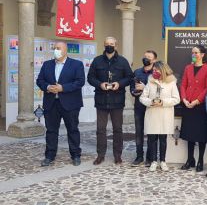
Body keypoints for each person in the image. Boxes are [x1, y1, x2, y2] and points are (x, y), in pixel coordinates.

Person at [37, 42, 85, 167]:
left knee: (73, 130)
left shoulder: (76, 64)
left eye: (58, 48)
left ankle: (75, 155)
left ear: (65, 50)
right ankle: (49, 156)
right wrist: (47, 87)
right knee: (51, 131)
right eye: (54, 48)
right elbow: (39, 80)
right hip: (51, 103)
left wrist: (62, 88)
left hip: (70, 103)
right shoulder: (47, 64)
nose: (55, 51)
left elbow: (80, 82)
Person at [87, 36, 134, 165]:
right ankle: (100, 155)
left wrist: (119, 83)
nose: (109, 46)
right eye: (107, 44)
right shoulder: (97, 61)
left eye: (111, 44)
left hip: (117, 100)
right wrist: (99, 84)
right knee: (100, 129)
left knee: (117, 129)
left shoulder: (123, 61)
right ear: (104, 45)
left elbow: (130, 77)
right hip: (101, 100)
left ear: (116, 46)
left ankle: (117, 155)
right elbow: (90, 77)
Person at [140, 61, 180, 171]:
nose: (154, 72)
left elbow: (176, 99)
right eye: (153, 70)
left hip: (165, 115)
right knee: (152, 139)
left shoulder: (171, 82)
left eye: (156, 70)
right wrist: (151, 102)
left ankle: (163, 161)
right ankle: (153, 161)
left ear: (162, 70)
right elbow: (142, 97)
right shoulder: (150, 81)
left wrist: (163, 102)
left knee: (163, 139)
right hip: (152, 114)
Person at [179, 45, 207, 172]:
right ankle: (190, 159)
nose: (194, 55)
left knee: (200, 134)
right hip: (187, 104)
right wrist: (183, 99)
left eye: (196, 52)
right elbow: (183, 84)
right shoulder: (188, 67)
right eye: (192, 53)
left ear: (202, 54)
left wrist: (197, 101)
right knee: (189, 134)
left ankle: (200, 160)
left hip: (200, 106)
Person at [130, 50, 158, 167]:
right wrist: (135, 91)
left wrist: (145, 87)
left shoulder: (157, 73)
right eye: (145, 56)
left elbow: (159, 89)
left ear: (154, 60)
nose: (146, 58)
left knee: (151, 132)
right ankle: (139, 156)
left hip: (152, 107)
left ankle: (150, 157)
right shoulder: (137, 71)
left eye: (149, 57)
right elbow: (132, 88)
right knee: (139, 132)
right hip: (139, 106)